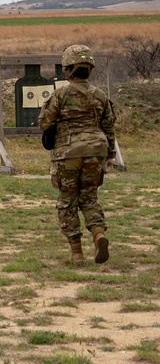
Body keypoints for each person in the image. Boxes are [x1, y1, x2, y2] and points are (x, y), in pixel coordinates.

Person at [38, 45, 117, 264]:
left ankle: (76, 253)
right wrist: (109, 155)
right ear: (89, 69)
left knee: (67, 201)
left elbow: (44, 122)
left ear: (68, 69)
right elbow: (109, 127)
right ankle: (98, 234)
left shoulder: (61, 94)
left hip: (68, 153)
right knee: (90, 198)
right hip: (96, 151)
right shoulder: (100, 96)